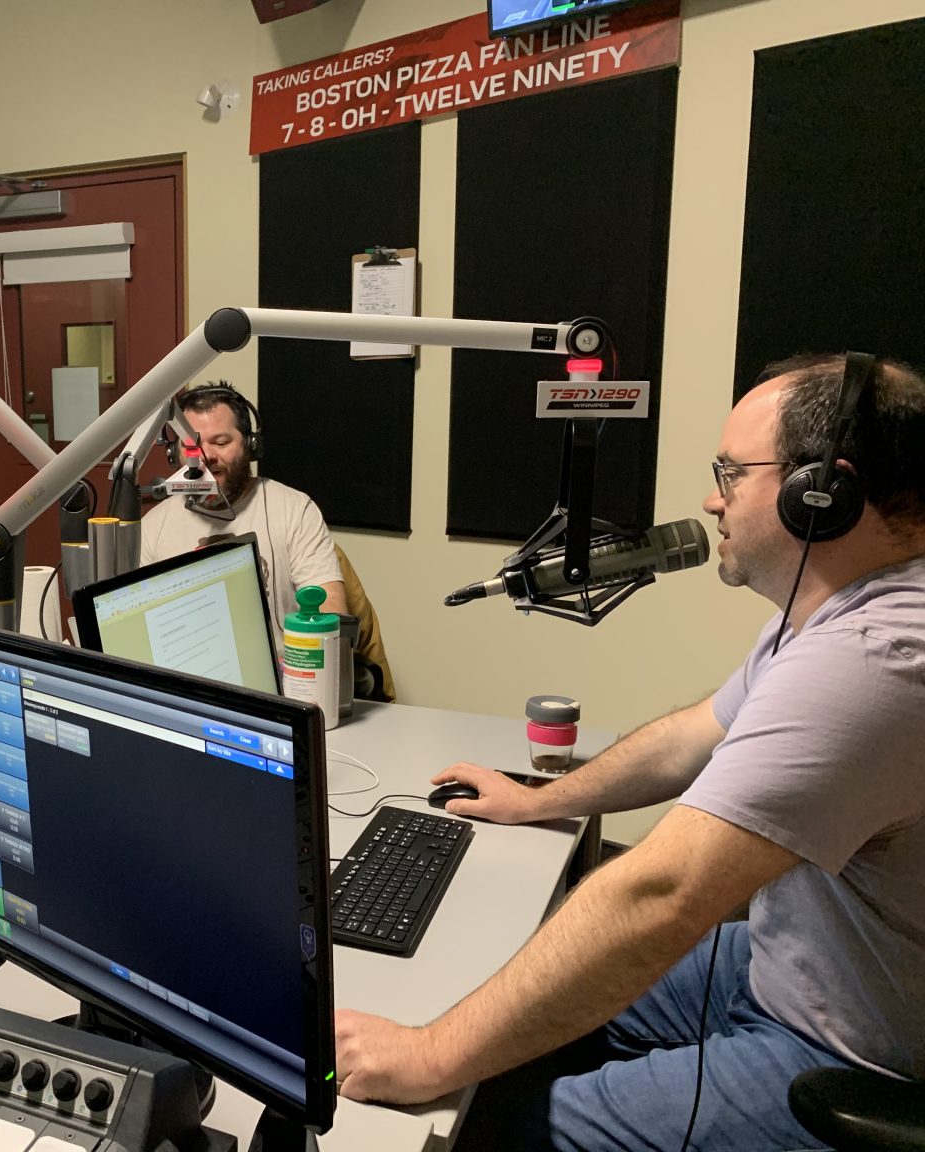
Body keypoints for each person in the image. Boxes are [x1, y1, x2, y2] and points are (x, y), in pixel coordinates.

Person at [334, 353, 925, 1150]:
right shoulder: (831, 615)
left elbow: (662, 892)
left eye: (730, 472)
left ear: (820, 491)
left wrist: (427, 1055)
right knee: (517, 989)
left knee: (495, 1124)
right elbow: (688, 740)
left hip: (852, 1057)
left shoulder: (876, 657)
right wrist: (539, 801)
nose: (711, 499)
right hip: (788, 969)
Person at [140, 382, 347, 627]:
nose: (206, 456)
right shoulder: (153, 527)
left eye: (220, 442)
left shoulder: (294, 510)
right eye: (191, 446)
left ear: (250, 446)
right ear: (174, 453)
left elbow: (330, 614)